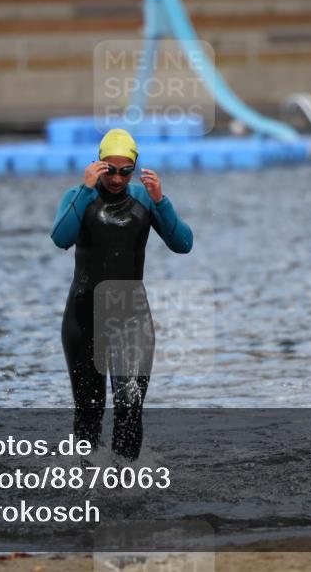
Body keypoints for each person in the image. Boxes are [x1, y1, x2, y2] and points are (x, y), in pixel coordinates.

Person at [50, 128, 193, 461]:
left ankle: (126, 481)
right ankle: (85, 478)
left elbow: (183, 244)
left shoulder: (144, 198)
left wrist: (161, 200)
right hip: (84, 315)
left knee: (129, 406)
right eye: (109, 169)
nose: (116, 178)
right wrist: (85, 189)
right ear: (98, 165)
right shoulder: (78, 194)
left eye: (124, 171)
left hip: (131, 316)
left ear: (134, 169)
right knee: (89, 409)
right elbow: (60, 238)